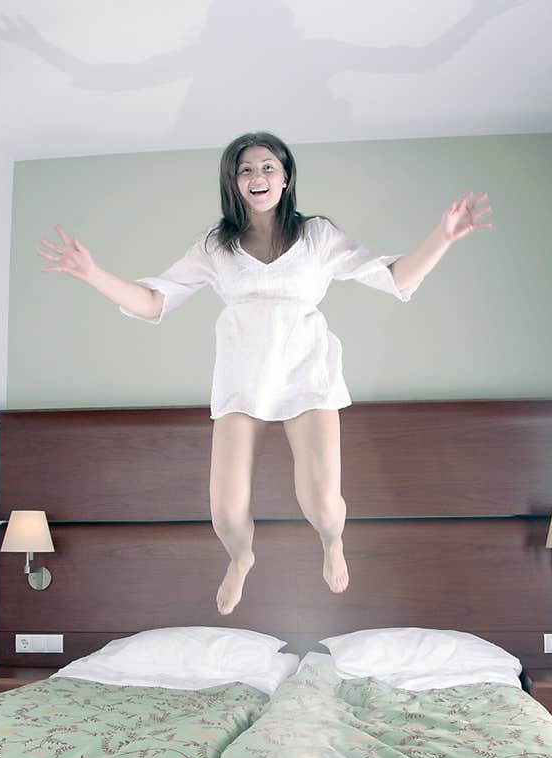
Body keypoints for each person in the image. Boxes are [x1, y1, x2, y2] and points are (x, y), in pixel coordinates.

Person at [37, 131, 492, 615]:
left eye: (268, 167)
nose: (258, 177)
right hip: (242, 381)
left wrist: (443, 236)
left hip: (307, 376)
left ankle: (332, 540)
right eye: (246, 169)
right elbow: (155, 302)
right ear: (233, 182)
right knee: (226, 511)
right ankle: (241, 557)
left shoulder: (316, 235)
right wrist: (92, 274)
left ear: (286, 175)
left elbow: (394, 276)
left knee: (320, 503)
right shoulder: (216, 246)